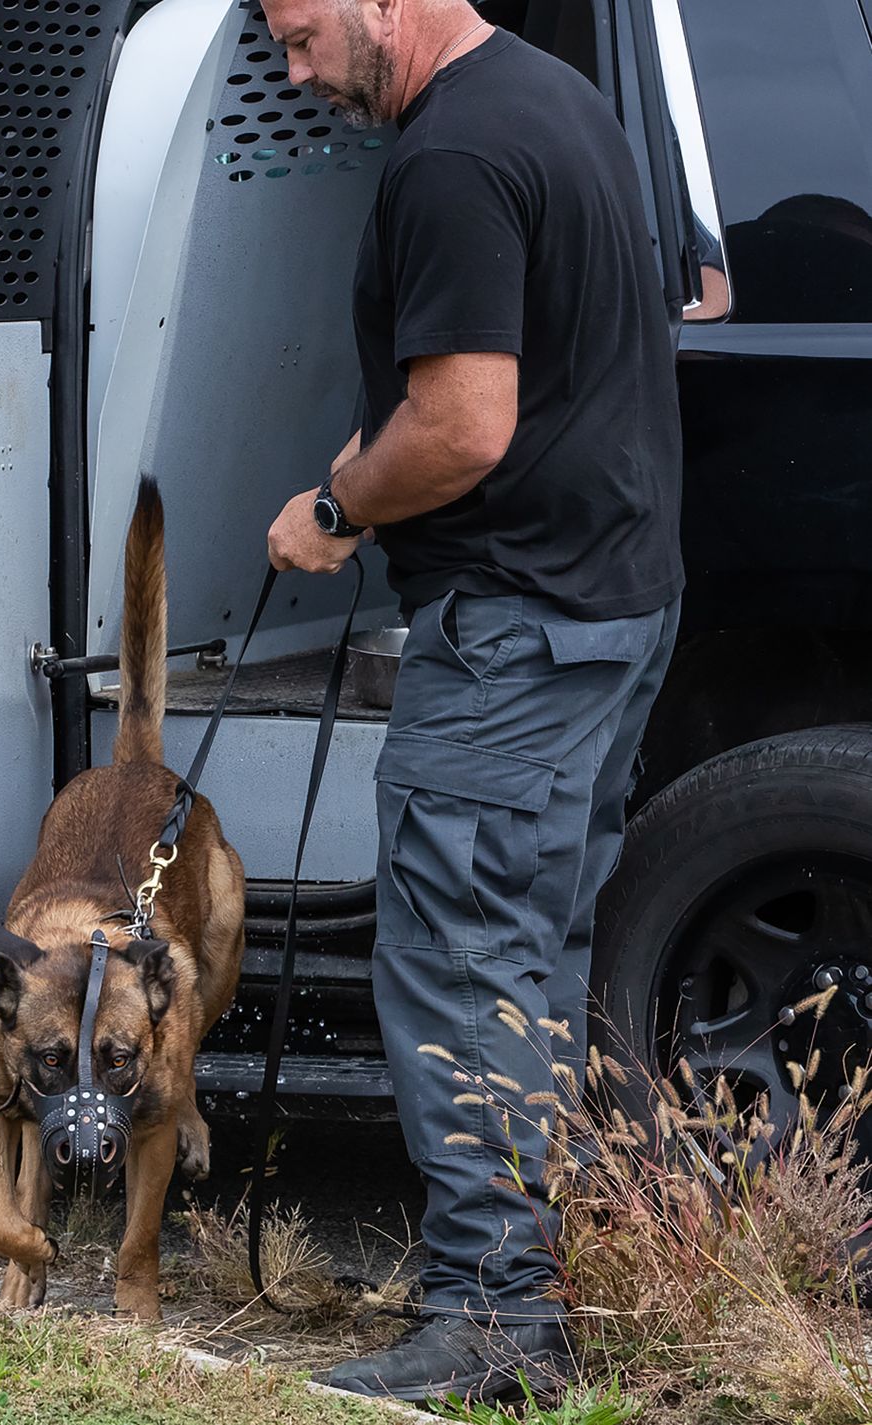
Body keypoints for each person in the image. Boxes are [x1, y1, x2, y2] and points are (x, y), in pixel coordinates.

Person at [263, 0, 684, 1406]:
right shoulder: (551, 99)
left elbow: (466, 424)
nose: (294, 68)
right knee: (534, 954)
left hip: (517, 631)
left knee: (458, 960)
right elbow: (520, 371)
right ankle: (535, 1282)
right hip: (610, 606)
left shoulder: (449, 155)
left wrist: (338, 503)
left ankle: (495, 1318)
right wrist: (351, 473)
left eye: (306, 32)